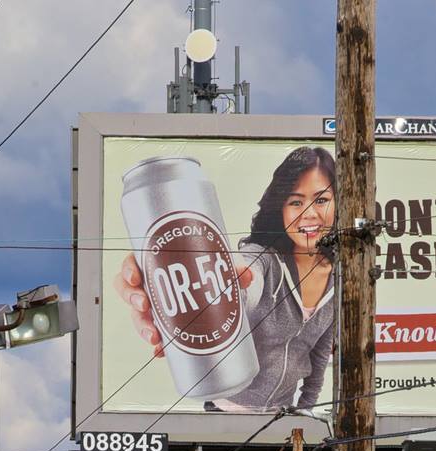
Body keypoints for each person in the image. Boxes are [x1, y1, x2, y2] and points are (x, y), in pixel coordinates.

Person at [115, 145, 339, 412]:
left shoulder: (339, 279)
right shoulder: (263, 259)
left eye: (321, 200)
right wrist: (204, 273)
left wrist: (305, 409)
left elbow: (319, 354)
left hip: (281, 420)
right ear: (280, 209)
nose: (309, 214)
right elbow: (245, 286)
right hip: (222, 416)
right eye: (296, 202)